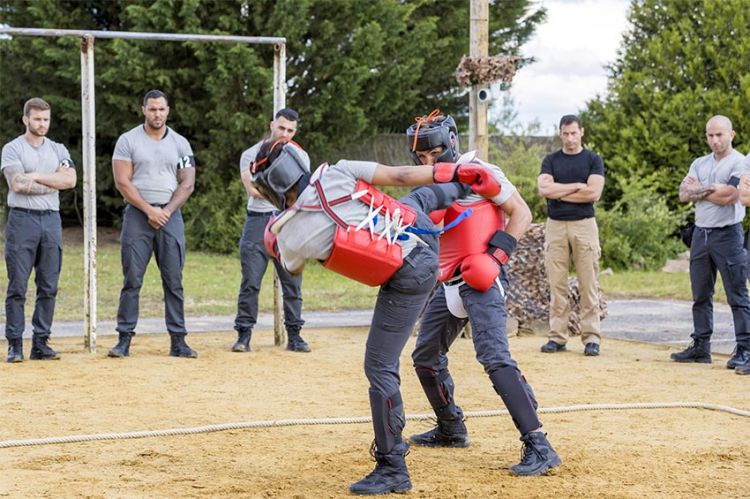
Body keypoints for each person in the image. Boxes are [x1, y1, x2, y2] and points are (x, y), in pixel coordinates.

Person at [250, 138, 502, 495]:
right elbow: (400, 175)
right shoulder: (337, 170)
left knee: (379, 366)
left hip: (408, 275)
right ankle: (464, 184)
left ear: (271, 187)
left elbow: (290, 268)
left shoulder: (289, 235)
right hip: (421, 243)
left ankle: (392, 466)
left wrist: (272, 238)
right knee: (420, 198)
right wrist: (454, 171)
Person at [405, 111, 562, 477]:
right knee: (426, 357)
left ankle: (540, 444)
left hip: (483, 278)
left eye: (435, 152)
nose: (429, 161)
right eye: (421, 157)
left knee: (494, 357)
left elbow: (520, 212)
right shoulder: (427, 183)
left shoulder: (480, 171)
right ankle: (451, 428)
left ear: (453, 143)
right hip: (449, 283)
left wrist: (496, 256)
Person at [107, 89, 197, 359]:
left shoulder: (180, 143)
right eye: (152, 109)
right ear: (143, 110)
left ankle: (178, 340)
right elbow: (122, 181)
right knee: (132, 279)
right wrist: (148, 210)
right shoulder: (128, 140)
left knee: (174, 280)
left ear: (168, 110)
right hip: (138, 215)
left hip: (170, 216)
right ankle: (124, 339)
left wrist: (166, 211)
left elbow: (188, 182)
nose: (157, 114)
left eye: (161, 109)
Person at [1, 97, 77, 363]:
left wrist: (35, 176)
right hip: (22, 220)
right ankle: (14, 344)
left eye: (46, 119)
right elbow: (18, 184)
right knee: (18, 286)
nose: (42, 124)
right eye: (37, 119)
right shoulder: (12, 149)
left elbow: (71, 179)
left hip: (51, 221)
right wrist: (52, 182)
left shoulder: (58, 148)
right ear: (25, 119)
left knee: (48, 285)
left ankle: (41, 342)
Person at [232, 108, 310, 353]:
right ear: (271, 125)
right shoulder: (251, 154)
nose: (284, 134)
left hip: (288, 221)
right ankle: (243, 335)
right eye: (281, 128)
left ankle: (295, 336)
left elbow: (302, 194)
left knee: (292, 282)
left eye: (290, 130)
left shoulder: (300, 156)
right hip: (258, 220)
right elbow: (253, 189)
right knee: (251, 282)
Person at [680, 115, 750, 371]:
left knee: (737, 294)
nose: (714, 140)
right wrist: (711, 189)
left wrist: (701, 189)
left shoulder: (740, 162)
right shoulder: (699, 162)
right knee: (700, 294)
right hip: (701, 234)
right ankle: (701, 346)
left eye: (719, 134)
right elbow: (683, 194)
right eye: (710, 135)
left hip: (727, 234)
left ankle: (744, 348)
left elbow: (731, 196)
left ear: (731, 134)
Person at [537, 114, 605, 356]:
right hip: (555, 225)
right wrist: (576, 186)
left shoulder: (593, 160)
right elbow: (544, 188)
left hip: (584, 225)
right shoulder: (551, 160)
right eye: (565, 134)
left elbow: (593, 194)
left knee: (588, 283)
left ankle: (591, 338)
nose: (570, 138)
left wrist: (559, 192)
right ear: (560, 134)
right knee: (557, 284)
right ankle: (557, 336)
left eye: (573, 133)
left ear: (581, 132)